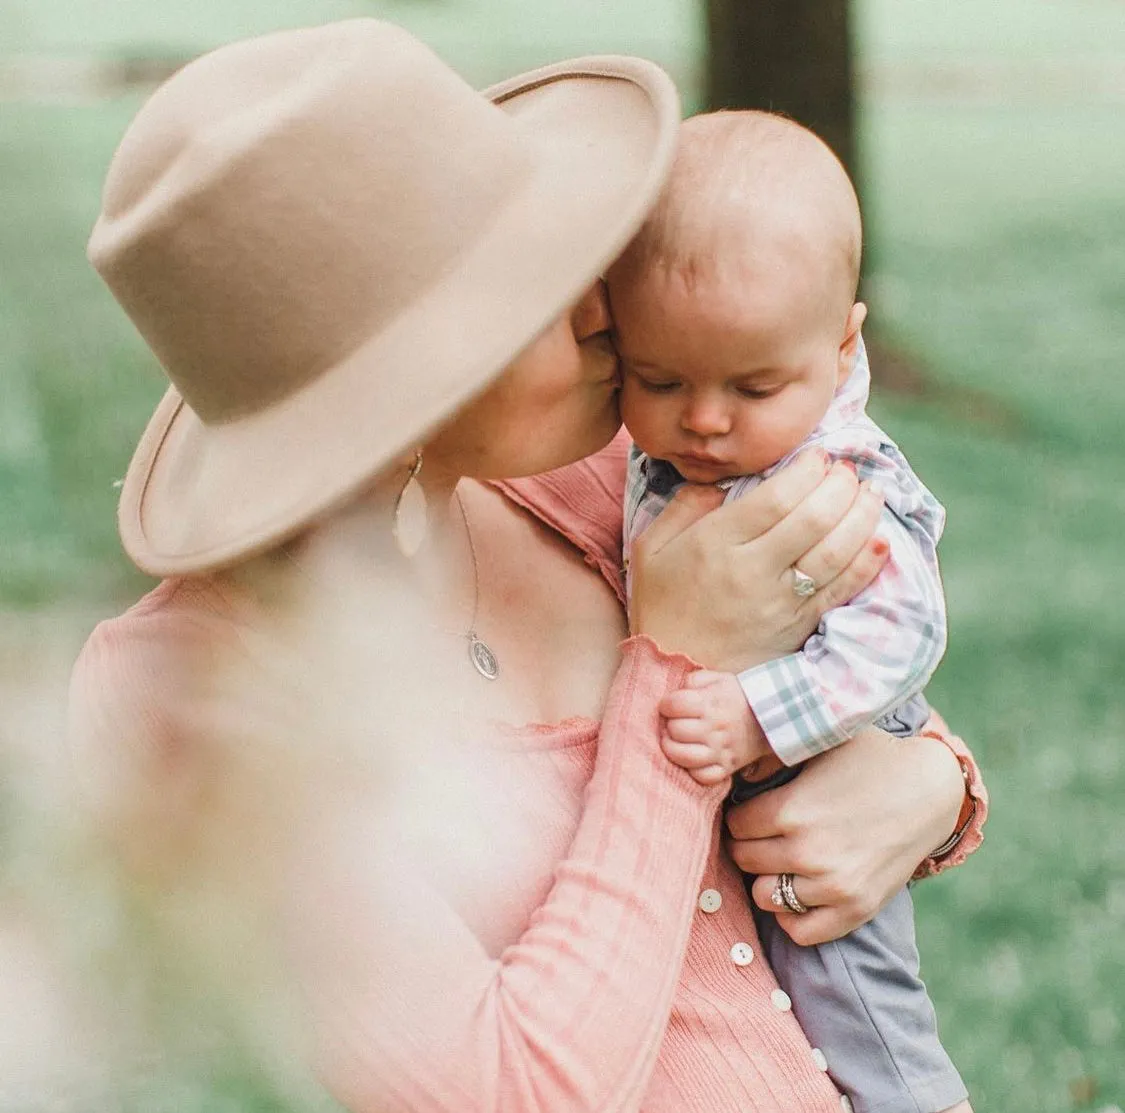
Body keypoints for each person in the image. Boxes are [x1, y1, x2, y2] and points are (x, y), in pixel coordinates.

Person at [67, 20, 987, 1113]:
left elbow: (856, 655)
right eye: (536, 278)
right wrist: (673, 667)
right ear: (395, 393)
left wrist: (931, 784)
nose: (608, 303)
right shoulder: (199, 699)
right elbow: (511, 1090)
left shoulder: (599, 481)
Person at [607, 110, 968, 1112]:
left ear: (843, 341)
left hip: (821, 755)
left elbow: (904, 632)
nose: (707, 420)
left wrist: (762, 713)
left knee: (856, 1011)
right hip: (723, 802)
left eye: (755, 384)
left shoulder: (838, 481)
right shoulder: (652, 456)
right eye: (660, 379)